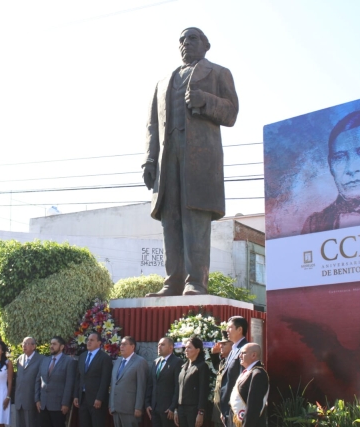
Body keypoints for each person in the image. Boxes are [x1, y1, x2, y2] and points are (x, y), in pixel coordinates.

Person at [143, 27, 239, 297]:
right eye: (182, 40)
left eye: (192, 38)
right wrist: (149, 160)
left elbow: (231, 113)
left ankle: (196, 281)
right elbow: (152, 126)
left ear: (206, 45)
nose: (186, 43)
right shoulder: (163, 82)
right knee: (170, 217)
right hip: (167, 157)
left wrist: (205, 100)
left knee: (195, 216)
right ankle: (172, 281)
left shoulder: (219, 73)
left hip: (200, 159)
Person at [35, 336, 76, 427]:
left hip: (58, 406)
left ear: (61, 347)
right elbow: (38, 380)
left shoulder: (68, 361)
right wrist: (37, 399)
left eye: (54, 344)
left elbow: (69, 384)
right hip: (43, 404)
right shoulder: (45, 360)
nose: (51, 346)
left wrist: (65, 403)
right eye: (51, 344)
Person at [74, 332, 113, 427]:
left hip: (96, 400)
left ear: (99, 343)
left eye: (92, 340)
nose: (89, 342)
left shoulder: (104, 358)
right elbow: (78, 377)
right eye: (88, 340)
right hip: (82, 399)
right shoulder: (82, 356)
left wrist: (99, 398)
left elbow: (105, 380)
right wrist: (76, 395)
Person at [109, 336, 149, 427]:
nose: (121, 346)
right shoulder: (117, 362)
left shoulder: (140, 362)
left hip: (130, 410)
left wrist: (138, 407)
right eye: (120, 344)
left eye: (124, 344)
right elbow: (113, 384)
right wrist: (111, 405)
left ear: (132, 346)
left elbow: (141, 386)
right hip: (116, 409)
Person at [146, 337, 184, 427]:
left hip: (168, 410)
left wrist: (173, 407)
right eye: (158, 344)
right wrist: (147, 403)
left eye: (162, 345)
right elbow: (150, 384)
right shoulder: (156, 362)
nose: (159, 347)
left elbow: (178, 386)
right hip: (154, 409)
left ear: (171, 348)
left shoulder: (177, 362)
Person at [229, 344, 269, 427]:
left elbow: (253, 406)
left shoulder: (258, 374)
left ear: (253, 355)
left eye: (243, 353)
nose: (240, 356)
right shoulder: (248, 372)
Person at [219, 316, 248, 427]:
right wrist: (224, 410)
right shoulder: (233, 350)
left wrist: (237, 408)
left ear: (239, 329)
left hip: (237, 409)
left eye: (230, 327)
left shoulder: (245, 350)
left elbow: (243, 381)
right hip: (228, 408)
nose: (227, 330)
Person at [174, 336, 209, 427]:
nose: (186, 350)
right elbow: (178, 388)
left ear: (197, 350)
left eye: (189, 347)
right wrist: (176, 409)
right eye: (186, 348)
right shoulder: (183, 367)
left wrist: (201, 412)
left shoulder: (202, 366)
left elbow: (203, 390)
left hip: (194, 409)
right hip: (181, 408)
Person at [14, 337, 43, 427]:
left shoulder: (41, 359)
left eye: (26, 343)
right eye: (23, 343)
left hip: (31, 400)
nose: (24, 345)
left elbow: (40, 380)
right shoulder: (20, 358)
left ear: (33, 346)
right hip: (19, 400)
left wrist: (38, 399)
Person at [211, 335, 233, 427]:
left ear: (233, 345)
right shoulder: (224, 361)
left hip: (227, 410)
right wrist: (214, 354)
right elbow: (217, 365)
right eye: (220, 344)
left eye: (224, 344)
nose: (221, 346)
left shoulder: (234, 362)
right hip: (218, 410)